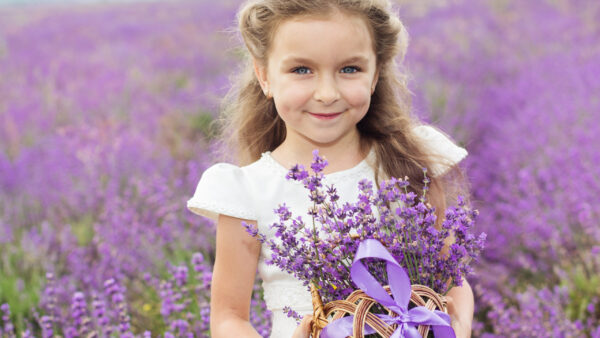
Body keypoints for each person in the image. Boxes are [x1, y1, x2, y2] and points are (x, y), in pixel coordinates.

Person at [187, 0, 474, 337]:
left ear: (375, 73)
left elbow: (453, 281)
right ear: (264, 75)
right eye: (301, 70)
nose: (326, 93)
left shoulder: (411, 162)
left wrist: (458, 324)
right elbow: (228, 318)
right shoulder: (247, 191)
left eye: (349, 69)